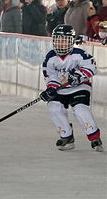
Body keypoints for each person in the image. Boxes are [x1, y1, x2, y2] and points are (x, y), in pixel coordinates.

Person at [40, 24, 103, 152]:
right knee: (54, 107)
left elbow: (91, 67)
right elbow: (50, 76)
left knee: (80, 109)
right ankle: (67, 136)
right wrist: (51, 89)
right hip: (60, 89)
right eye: (58, 40)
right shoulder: (50, 57)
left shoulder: (79, 54)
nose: (61, 44)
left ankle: (94, 136)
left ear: (71, 41)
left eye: (64, 40)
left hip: (80, 87)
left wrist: (79, 75)